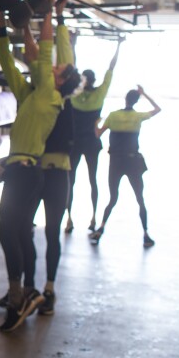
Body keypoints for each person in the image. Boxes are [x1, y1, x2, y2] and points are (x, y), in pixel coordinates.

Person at [0, 0, 82, 333]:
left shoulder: (51, 95)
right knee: (17, 233)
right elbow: (9, 62)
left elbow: (45, 52)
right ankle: (23, 289)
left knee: (10, 231)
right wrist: (3, 28)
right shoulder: (32, 95)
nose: (53, 66)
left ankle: (22, 292)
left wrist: (47, 14)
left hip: (28, 172)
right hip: (20, 171)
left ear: (60, 80)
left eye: (58, 70)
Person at [92, 86, 161, 247]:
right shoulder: (137, 116)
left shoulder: (113, 115)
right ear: (136, 101)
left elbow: (97, 134)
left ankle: (100, 229)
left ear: (125, 99)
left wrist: (96, 123)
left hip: (115, 162)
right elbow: (158, 109)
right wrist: (144, 93)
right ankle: (145, 234)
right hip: (132, 162)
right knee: (140, 199)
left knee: (112, 198)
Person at [66, 37, 122, 234]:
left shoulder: (74, 94)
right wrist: (119, 45)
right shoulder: (99, 95)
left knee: (70, 181)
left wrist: (72, 43)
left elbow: (72, 65)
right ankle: (93, 217)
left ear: (83, 79)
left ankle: (69, 220)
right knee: (93, 180)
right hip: (92, 142)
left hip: (74, 142)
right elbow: (111, 68)